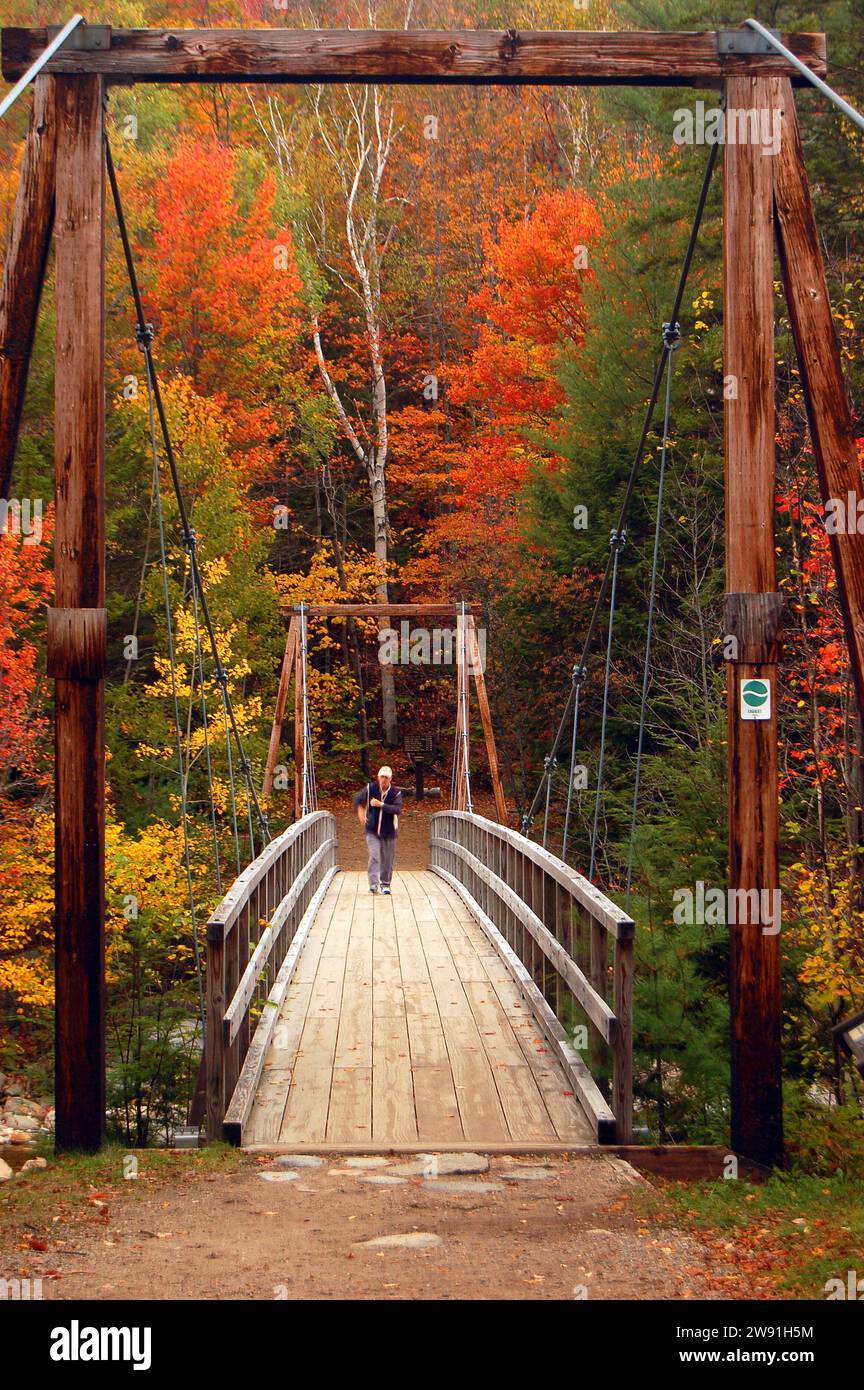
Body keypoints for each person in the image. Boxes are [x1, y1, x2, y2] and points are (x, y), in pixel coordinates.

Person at [352, 765, 403, 894]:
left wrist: (381, 805)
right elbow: (358, 800)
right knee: (374, 856)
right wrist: (360, 812)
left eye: (386, 777)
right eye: (382, 777)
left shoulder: (395, 793)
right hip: (372, 830)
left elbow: (397, 809)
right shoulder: (370, 789)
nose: (383, 780)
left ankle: (385, 884)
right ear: (378, 777)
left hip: (389, 831)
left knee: (387, 859)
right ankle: (373, 884)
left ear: (390, 779)